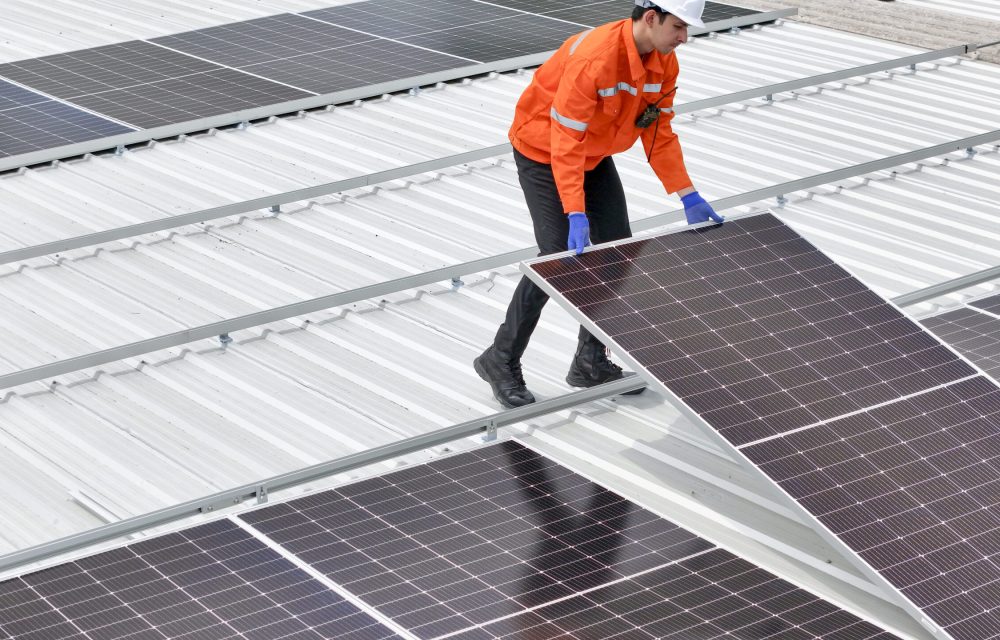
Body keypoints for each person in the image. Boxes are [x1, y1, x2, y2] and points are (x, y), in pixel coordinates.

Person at [474, 0, 724, 409]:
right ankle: (499, 359)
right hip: (543, 149)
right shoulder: (594, 59)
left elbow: (658, 131)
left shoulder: (663, 63)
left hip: (593, 153)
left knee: (616, 251)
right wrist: (574, 210)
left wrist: (687, 193)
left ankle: (590, 361)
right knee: (556, 255)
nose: (684, 37)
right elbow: (565, 140)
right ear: (650, 18)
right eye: (679, 26)